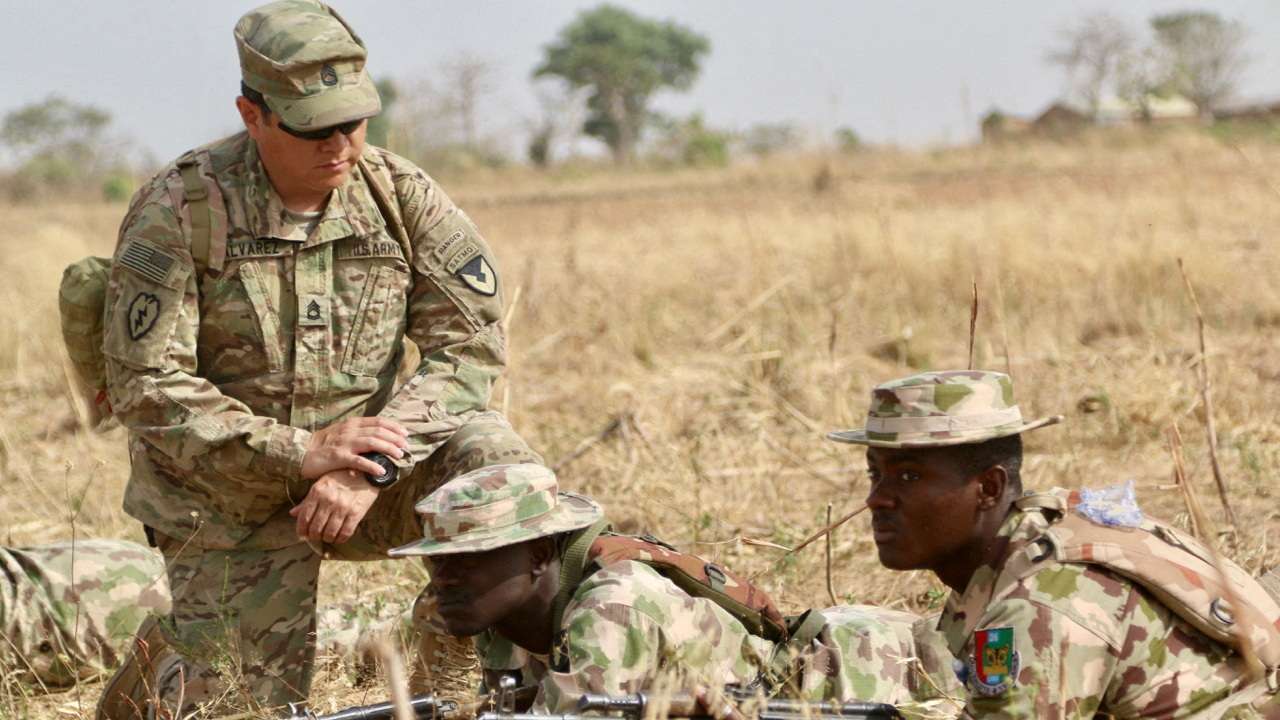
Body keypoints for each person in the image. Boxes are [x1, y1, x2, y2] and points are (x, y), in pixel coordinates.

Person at [98, 0, 540, 714]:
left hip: (369, 473)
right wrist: (299, 451)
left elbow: (471, 346)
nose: (340, 145)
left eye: (354, 122)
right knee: (247, 704)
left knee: (503, 474)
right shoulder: (181, 209)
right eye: (313, 128)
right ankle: (159, 674)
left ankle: (451, 683)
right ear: (253, 116)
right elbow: (148, 386)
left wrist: (371, 469)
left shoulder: (400, 195)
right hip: (226, 497)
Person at [827, 369, 1280, 718]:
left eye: (909, 476)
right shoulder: (1031, 541)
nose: (877, 498)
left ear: (988, 488)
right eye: (876, 473)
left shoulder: (1043, 606)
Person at [388, 463, 960, 716]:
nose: (445, 581)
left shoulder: (613, 605)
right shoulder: (476, 610)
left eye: (469, 561)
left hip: (882, 671)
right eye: (438, 563)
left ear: (540, 555)